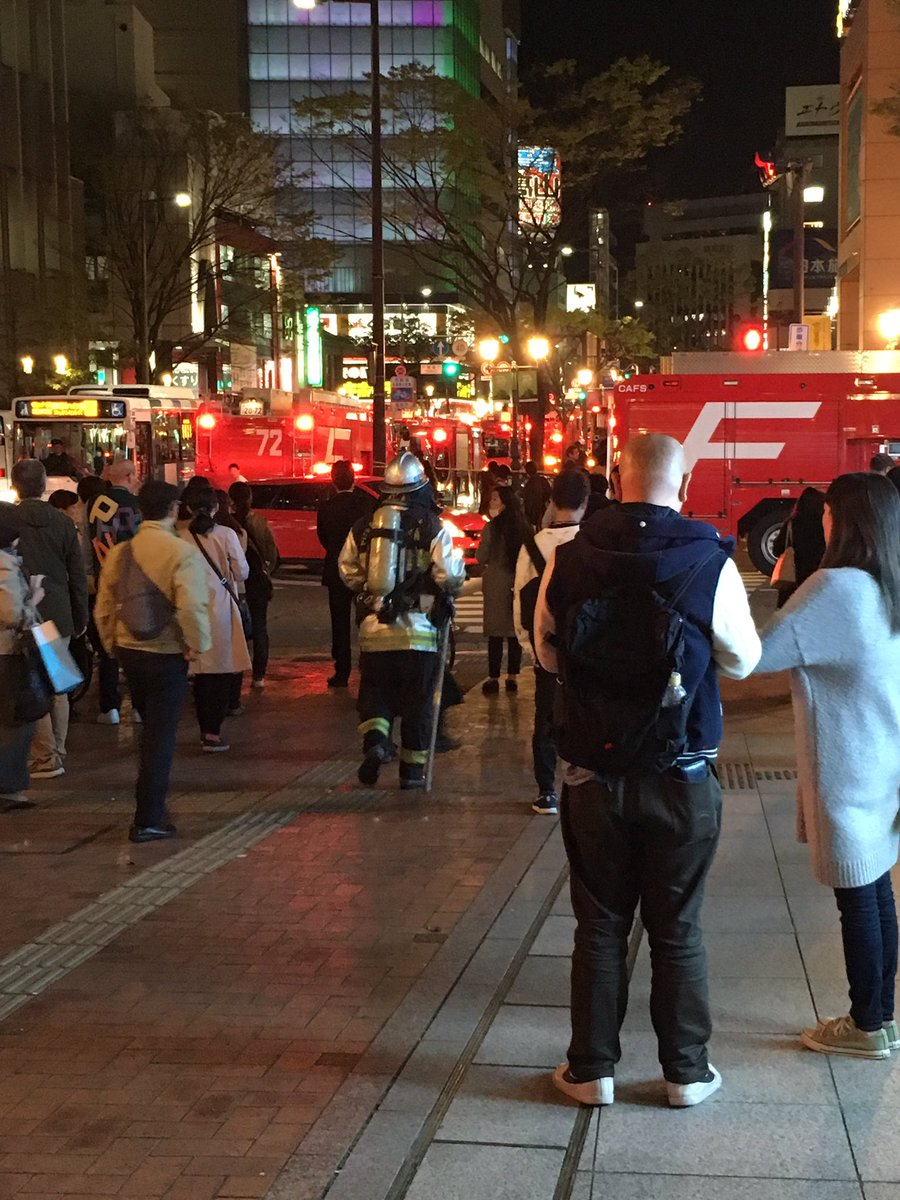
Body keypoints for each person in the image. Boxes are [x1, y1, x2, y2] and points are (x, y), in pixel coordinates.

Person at [534, 433, 761, 1109]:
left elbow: (548, 657)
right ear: (683, 483)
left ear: (614, 478)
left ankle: (590, 1071)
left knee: (599, 923)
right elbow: (744, 661)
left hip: (592, 778)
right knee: (677, 925)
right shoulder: (706, 560)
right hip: (682, 775)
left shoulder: (569, 558)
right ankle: (686, 1073)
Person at [754, 472, 900, 1060]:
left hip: (848, 767)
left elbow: (756, 654)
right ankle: (882, 1016)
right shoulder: (890, 584)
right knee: (878, 891)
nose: (821, 520)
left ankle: (866, 1024)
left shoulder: (835, 588)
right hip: (885, 763)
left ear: (844, 520)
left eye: (829, 513)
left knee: (857, 899)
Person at [339, 452, 465, 789]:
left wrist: (370, 593)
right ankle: (411, 776)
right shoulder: (431, 525)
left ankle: (377, 743)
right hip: (419, 634)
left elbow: (347, 570)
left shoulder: (364, 526)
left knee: (376, 697)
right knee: (417, 707)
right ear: (420, 487)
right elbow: (449, 574)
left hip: (374, 631)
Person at [94, 481, 211, 842]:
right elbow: (191, 605)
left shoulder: (121, 552)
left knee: (149, 734)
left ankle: (151, 808)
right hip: (165, 653)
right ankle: (148, 817)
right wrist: (197, 644)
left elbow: (104, 605)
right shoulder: (181, 552)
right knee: (161, 737)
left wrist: (112, 644)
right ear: (175, 508)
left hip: (130, 651)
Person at [513, 468, 589, 816]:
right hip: (586, 650)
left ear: (551, 501)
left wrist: (530, 648)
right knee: (586, 714)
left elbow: (520, 605)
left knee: (544, 721)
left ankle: (546, 792)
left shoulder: (532, 547)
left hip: (547, 650)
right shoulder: (592, 542)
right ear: (585, 502)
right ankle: (585, 779)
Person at [11, 459, 89, 781]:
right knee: (58, 686)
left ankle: (45, 757)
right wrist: (80, 616)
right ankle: (58, 749)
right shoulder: (62, 523)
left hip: (24, 610)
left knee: (32, 681)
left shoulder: (7, 519)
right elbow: (77, 575)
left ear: (16, 486)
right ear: (44, 486)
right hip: (59, 611)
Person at [178, 487, 251, 752]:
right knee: (219, 672)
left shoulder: (179, 537)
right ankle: (212, 732)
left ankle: (202, 728)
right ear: (216, 508)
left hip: (188, 607)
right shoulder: (226, 534)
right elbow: (241, 572)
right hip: (220, 609)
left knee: (198, 672)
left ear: (186, 508)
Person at [87, 460, 142, 724]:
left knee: (108, 645)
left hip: (103, 579)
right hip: (134, 582)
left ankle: (109, 707)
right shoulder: (137, 505)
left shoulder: (94, 505)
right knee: (137, 643)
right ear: (130, 476)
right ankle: (141, 706)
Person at [316, 461, 375, 688]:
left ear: (333, 480)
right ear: (354, 479)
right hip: (364, 569)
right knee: (367, 618)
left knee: (339, 622)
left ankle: (342, 671)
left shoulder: (327, 507)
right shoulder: (365, 504)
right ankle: (368, 664)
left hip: (335, 569)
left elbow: (323, 537)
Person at [0, 503, 42, 810]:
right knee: (16, 719)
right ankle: (9, 787)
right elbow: (11, 613)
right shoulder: (4, 564)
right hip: (7, 651)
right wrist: (34, 599)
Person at [477, 484, 528, 694]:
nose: (491, 503)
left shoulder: (492, 528)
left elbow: (481, 556)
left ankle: (493, 676)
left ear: (504, 504)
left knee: (495, 634)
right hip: (518, 581)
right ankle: (513, 676)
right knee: (514, 631)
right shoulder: (525, 528)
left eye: (495, 500)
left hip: (496, 582)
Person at [229, 482, 279, 693]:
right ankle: (259, 674)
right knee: (259, 626)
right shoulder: (259, 521)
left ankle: (234, 672)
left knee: (233, 628)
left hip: (235, 582)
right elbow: (270, 551)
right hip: (257, 580)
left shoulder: (228, 524)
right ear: (250, 498)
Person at [771, 487, 826, 608]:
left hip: (794, 582)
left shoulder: (792, 523)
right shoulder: (824, 524)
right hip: (816, 581)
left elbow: (777, 549)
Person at [522, 461, 552, 531]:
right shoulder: (543, 480)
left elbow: (527, 500)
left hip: (533, 512)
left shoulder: (529, 484)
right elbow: (548, 492)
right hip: (542, 509)